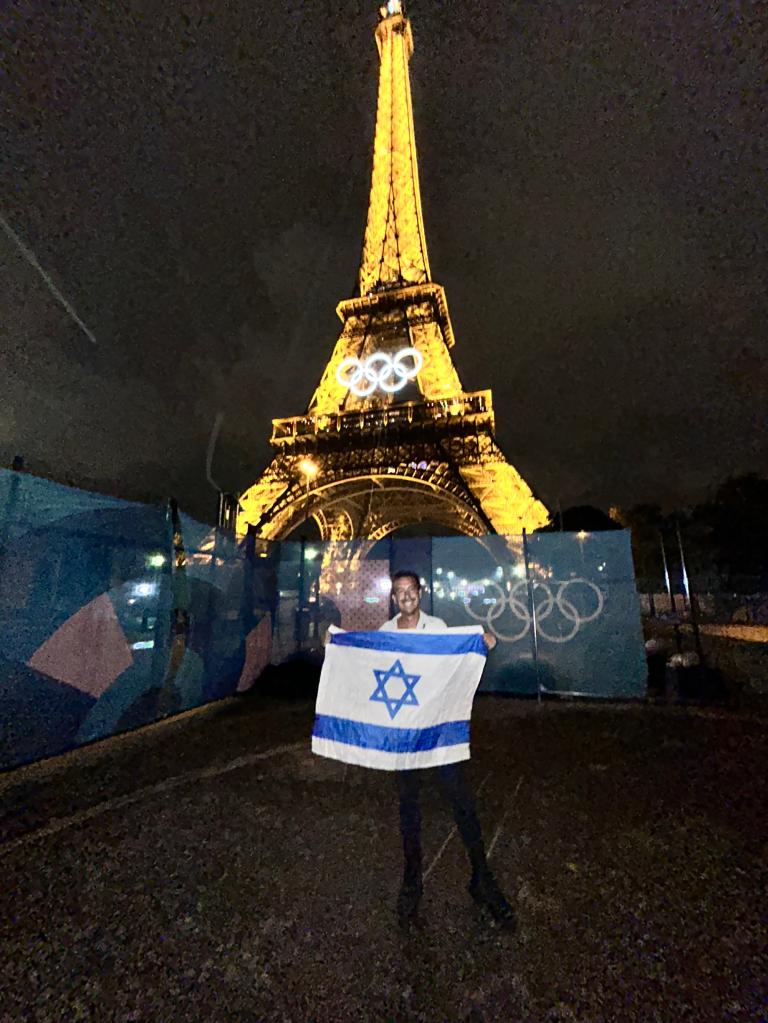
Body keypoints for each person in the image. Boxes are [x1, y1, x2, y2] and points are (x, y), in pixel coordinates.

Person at [380, 570, 516, 931]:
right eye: (399, 592)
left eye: (410, 590)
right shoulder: (386, 633)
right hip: (404, 735)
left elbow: (455, 657)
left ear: (420, 594)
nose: (406, 596)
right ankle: (412, 880)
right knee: (409, 807)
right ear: (394, 598)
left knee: (462, 802)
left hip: (438, 728)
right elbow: (366, 665)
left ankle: (482, 878)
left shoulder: (437, 626)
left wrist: (479, 641)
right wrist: (340, 648)